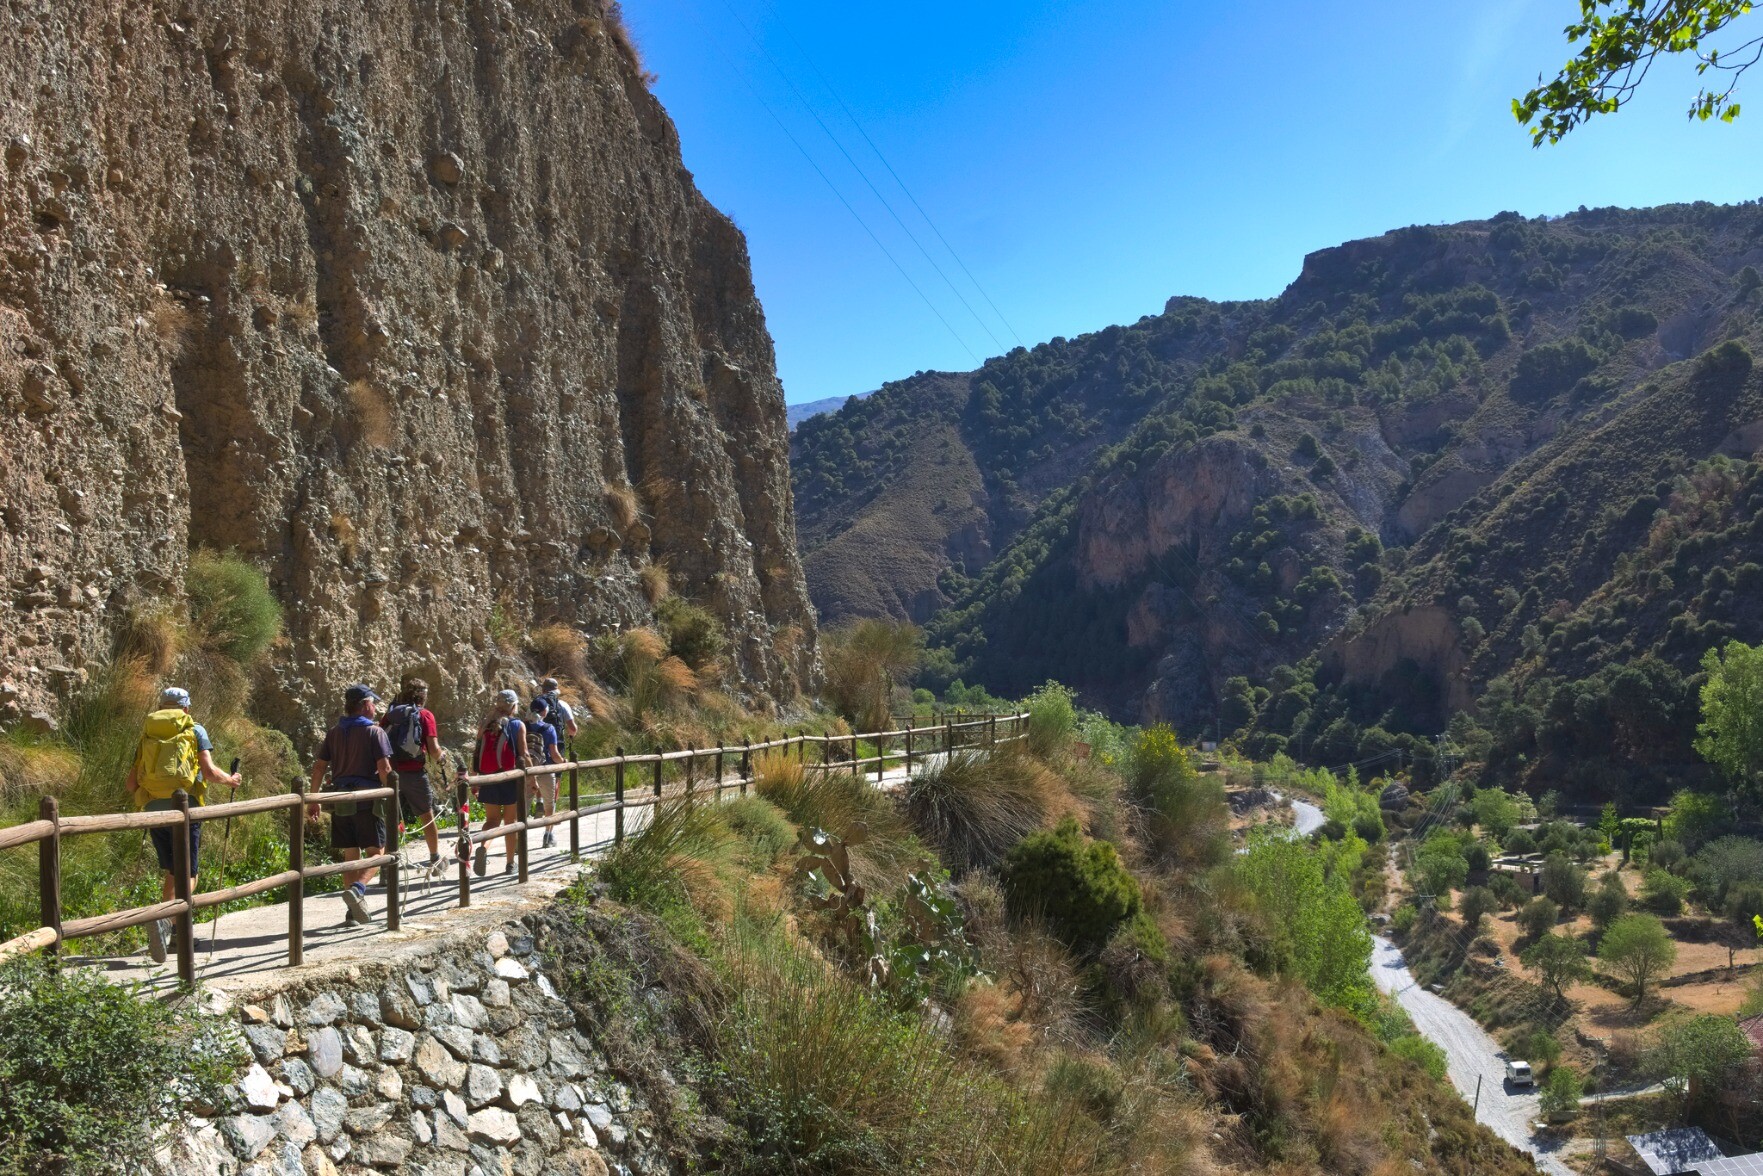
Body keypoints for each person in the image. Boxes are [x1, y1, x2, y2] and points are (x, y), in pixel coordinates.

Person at [125, 686, 241, 964]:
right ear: (186, 708)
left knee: (172, 871)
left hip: (153, 811)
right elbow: (210, 772)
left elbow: (131, 784)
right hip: (186, 809)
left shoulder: (147, 733)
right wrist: (231, 780)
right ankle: (165, 921)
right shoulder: (195, 730)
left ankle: (175, 934)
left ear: (161, 706)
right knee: (189, 873)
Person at [307, 684, 394, 925]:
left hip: (340, 801)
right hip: (367, 800)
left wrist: (313, 800)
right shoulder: (375, 733)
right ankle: (357, 890)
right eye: (373, 703)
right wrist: (392, 799)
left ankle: (352, 913)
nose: (375, 708)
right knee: (377, 853)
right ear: (365, 705)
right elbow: (385, 769)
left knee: (350, 853)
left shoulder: (334, 732)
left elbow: (319, 767)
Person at [381, 677, 444, 867]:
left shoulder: (391, 714)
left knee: (390, 817)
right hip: (414, 773)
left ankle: (387, 865)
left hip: (389, 773)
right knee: (426, 814)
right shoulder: (425, 715)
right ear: (422, 696)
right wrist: (442, 757)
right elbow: (433, 750)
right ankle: (434, 858)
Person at [470, 690, 530, 876]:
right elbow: (524, 754)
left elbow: (476, 752)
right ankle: (511, 863)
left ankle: (484, 847)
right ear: (513, 706)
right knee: (510, 822)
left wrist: (475, 778)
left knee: (492, 820)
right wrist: (532, 777)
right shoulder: (517, 724)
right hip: (510, 778)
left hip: (488, 777)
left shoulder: (486, 725)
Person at [526, 697, 566, 849]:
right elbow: (554, 754)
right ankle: (548, 836)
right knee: (550, 803)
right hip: (545, 768)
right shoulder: (549, 728)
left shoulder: (522, 726)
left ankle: (518, 840)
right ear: (544, 712)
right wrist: (564, 763)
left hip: (527, 771)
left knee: (524, 804)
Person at [535, 677, 581, 741]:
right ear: (556, 692)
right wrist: (571, 737)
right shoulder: (563, 705)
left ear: (543, 690)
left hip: (537, 742)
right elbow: (573, 729)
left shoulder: (536, 703)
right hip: (557, 743)